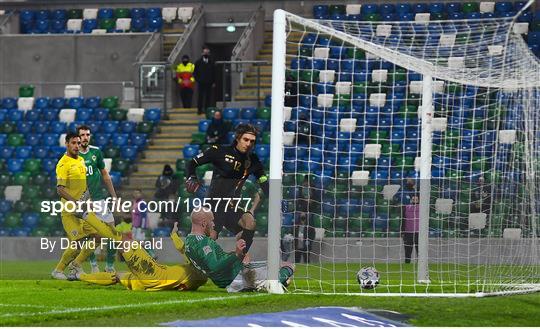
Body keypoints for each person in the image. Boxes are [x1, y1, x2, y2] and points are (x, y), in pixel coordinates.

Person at [185, 124, 269, 254]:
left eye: (252, 141)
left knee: (250, 223)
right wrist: (191, 177)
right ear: (237, 138)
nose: (249, 144)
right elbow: (193, 163)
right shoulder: (219, 151)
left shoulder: (253, 161)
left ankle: (240, 259)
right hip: (214, 205)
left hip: (232, 207)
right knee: (212, 237)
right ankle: (198, 264)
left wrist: (274, 198)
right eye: (245, 140)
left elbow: (263, 181)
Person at [76, 222, 207, 291]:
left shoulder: (197, 266)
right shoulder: (200, 279)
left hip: (154, 273)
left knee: (122, 240)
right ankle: (79, 275)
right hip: (151, 285)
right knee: (117, 276)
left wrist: (173, 234)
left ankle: (87, 216)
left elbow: (183, 249)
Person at [184, 209, 294, 292]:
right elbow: (214, 266)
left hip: (227, 279)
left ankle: (269, 282)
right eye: (212, 221)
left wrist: (237, 255)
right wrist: (236, 254)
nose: (214, 224)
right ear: (203, 223)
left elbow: (210, 263)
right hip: (237, 275)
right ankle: (271, 283)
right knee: (289, 266)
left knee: (282, 269)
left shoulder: (188, 242)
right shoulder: (202, 242)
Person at [51, 132, 99, 280]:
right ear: (67, 144)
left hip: (84, 210)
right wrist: (76, 203)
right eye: (73, 143)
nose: (77, 146)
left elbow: (84, 187)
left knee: (98, 236)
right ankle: (58, 271)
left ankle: (76, 265)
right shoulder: (63, 164)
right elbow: (60, 189)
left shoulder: (81, 161)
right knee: (77, 243)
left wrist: (88, 203)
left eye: (78, 143)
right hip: (70, 212)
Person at [77, 125, 118, 273]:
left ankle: (110, 266)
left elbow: (105, 175)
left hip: (99, 199)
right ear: (77, 138)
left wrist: (114, 196)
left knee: (112, 232)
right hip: (83, 202)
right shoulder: (72, 156)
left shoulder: (96, 152)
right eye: (82, 135)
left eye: (87, 134)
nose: (85, 137)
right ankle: (94, 266)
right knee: (93, 236)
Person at [193, 45, 216, 115]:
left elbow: (214, 72)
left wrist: (214, 81)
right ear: (202, 53)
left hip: (209, 82)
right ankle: (199, 110)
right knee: (200, 96)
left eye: (207, 52)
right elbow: (195, 72)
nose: (206, 54)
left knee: (208, 97)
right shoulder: (198, 62)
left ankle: (207, 110)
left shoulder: (212, 62)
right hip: (201, 82)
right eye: (204, 52)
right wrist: (198, 80)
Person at [402, 194, 420, 264]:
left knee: (419, 251)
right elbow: (403, 220)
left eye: (416, 200)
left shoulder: (423, 208)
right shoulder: (406, 207)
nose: (414, 201)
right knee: (407, 251)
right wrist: (402, 232)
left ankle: (420, 265)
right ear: (411, 200)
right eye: (413, 200)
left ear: (418, 200)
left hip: (419, 233)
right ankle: (407, 264)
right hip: (408, 233)